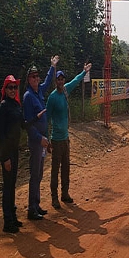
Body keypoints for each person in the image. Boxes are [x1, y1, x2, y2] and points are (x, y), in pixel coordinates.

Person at [0, 75, 46, 233]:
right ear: (5, 90)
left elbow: (23, 125)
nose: (13, 90)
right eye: (10, 87)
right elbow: (1, 135)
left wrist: (36, 118)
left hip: (15, 150)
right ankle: (7, 222)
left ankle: (12, 217)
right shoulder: (4, 106)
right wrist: (4, 158)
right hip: (7, 152)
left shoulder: (16, 105)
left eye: (14, 87)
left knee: (12, 185)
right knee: (8, 186)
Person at [46, 62, 92, 209]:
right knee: (55, 169)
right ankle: (54, 197)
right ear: (55, 81)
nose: (60, 81)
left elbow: (76, 81)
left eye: (62, 79)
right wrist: (47, 140)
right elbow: (46, 119)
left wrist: (84, 72)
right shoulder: (52, 98)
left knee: (66, 168)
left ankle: (65, 194)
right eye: (58, 79)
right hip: (56, 140)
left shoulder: (65, 91)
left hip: (66, 138)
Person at [23, 55, 58, 220]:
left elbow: (49, 80)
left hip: (42, 140)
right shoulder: (28, 97)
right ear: (28, 79)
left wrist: (52, 66)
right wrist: (39, 138)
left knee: (39, 174)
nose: (37, 79)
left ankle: (36, 205)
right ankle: (31, 209)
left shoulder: (39, 92)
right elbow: (28, 124)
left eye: (38, 76)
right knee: (34, 174)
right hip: (36, 141)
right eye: (33, 77)